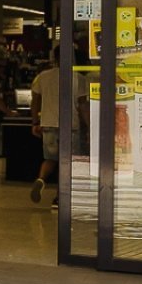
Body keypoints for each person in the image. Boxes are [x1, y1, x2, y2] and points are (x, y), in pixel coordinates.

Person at [29, 46, 86, 207]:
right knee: (67, 163)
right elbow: (82, 106)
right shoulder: (78, 78)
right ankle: (59, 197)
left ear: (55, 58)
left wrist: (35, 122)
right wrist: (89, 126)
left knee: (50, 159)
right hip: (70, 125)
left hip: (48, 124)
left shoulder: (43, 76)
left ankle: (41, 179)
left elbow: (35, 101)